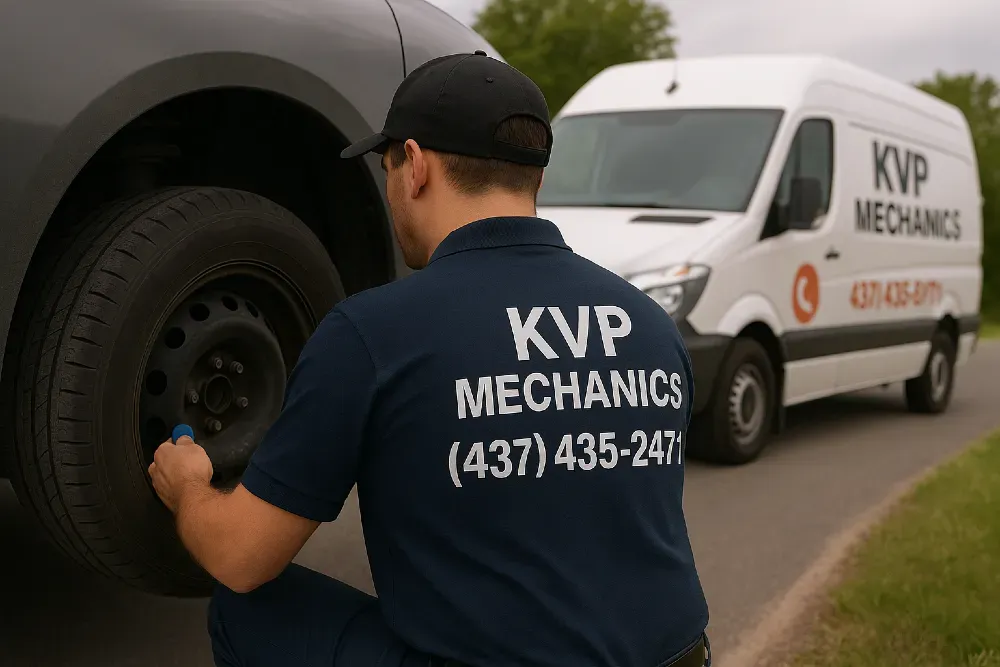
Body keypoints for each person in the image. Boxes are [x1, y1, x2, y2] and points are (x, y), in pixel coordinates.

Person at [147, 50, 711, 667]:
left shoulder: (371, 332)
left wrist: (189, 486)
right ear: (536, 180)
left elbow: (240, 557)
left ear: (414, 166)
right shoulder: (650, 323)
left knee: (243, 607)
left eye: (387, 168)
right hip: (681, 657)